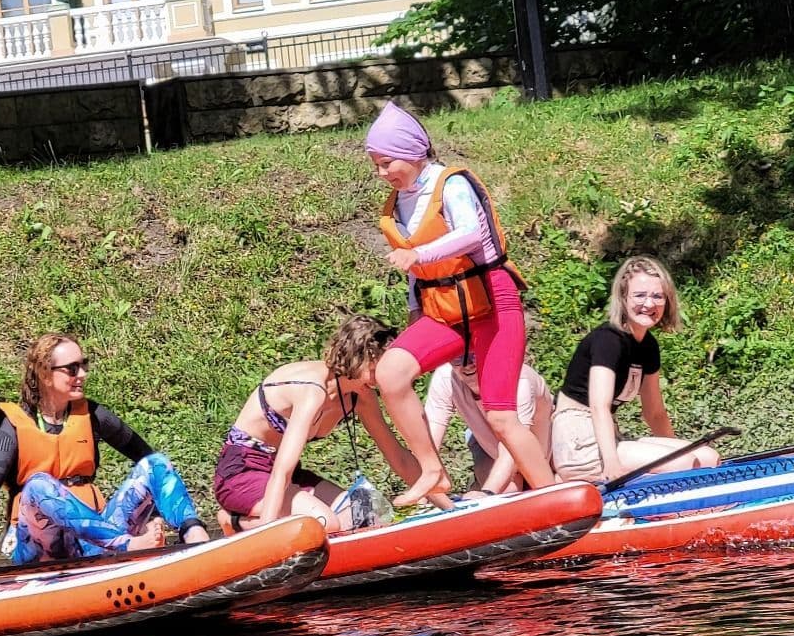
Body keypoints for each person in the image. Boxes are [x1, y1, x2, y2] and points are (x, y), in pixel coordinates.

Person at [364, 101, 556, 507]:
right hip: (444, 310)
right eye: (376, 165)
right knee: (390, 373)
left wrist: (419, 255)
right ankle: (432, 469)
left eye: (386, 163)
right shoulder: (398, 202)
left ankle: (554, 497)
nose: (381, 173)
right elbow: (416, 271)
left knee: (501, 416)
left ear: (412, 153)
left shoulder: (451, 184)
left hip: (492, 303)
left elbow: (470, 233)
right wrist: (414, 310)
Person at [0, 333, 210, 564]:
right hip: (41, 547)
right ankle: (125, 546)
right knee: (38, 484)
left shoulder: (93, 415)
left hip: (94, 542)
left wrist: (154, 516)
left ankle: (194, 535)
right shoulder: (14, 424)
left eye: (83, 365)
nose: (82, 374)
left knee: (155, 463)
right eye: (72, 369)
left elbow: (147, 459)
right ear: (45, 374)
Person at [214, 315, 422, 534]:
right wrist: (268, 532)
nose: (384, 372)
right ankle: (235, 521)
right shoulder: (312, 390)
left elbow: (398, 456)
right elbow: (281, 471)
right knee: (325, 523)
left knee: (367, 515)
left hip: (289, 476)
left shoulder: (361, 395)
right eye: (378, 364)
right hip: (242, 472)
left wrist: (442, 503)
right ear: (359, 357)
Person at [551, 255, 720, 482]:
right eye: (640, 295)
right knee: (682, 463)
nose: (649, 304)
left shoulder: (648, 346)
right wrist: (611, 463)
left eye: (657, 296)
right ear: (623, 297)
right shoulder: (608, 340)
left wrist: (679, 448)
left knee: (707, 457)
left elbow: (655, 413)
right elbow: (599, 406)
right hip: (579, 441)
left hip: (610, 437)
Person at [424, 357, 554, 496]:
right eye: (457, 357)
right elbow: (428, 442)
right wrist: (423, 493)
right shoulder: (445, 377)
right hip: (492, 450)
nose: (467, 364)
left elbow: (515, 445)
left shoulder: (519, 379)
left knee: (558, 481)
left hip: (546, 455)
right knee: (506, 494)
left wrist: (487, 493)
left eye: (474, 355)